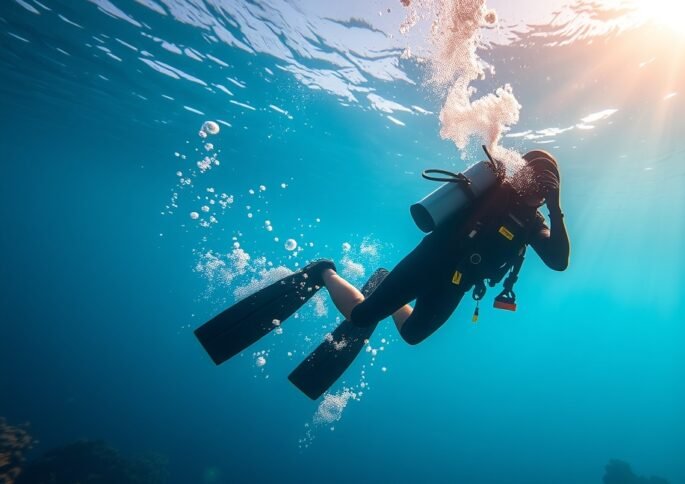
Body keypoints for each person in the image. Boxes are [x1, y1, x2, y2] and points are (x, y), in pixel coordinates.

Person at [194, 149, 570, 398]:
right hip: (430, 261)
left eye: (547, 187)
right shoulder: (494, 192)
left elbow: (558, 261)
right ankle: (323, 271)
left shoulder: (533, 224)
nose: (538, 191)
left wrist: (555, 209)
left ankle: (378, 286)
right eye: (536, 182)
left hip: (457, 285)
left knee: (412, 334)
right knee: (360, 317)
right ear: (521, 175)